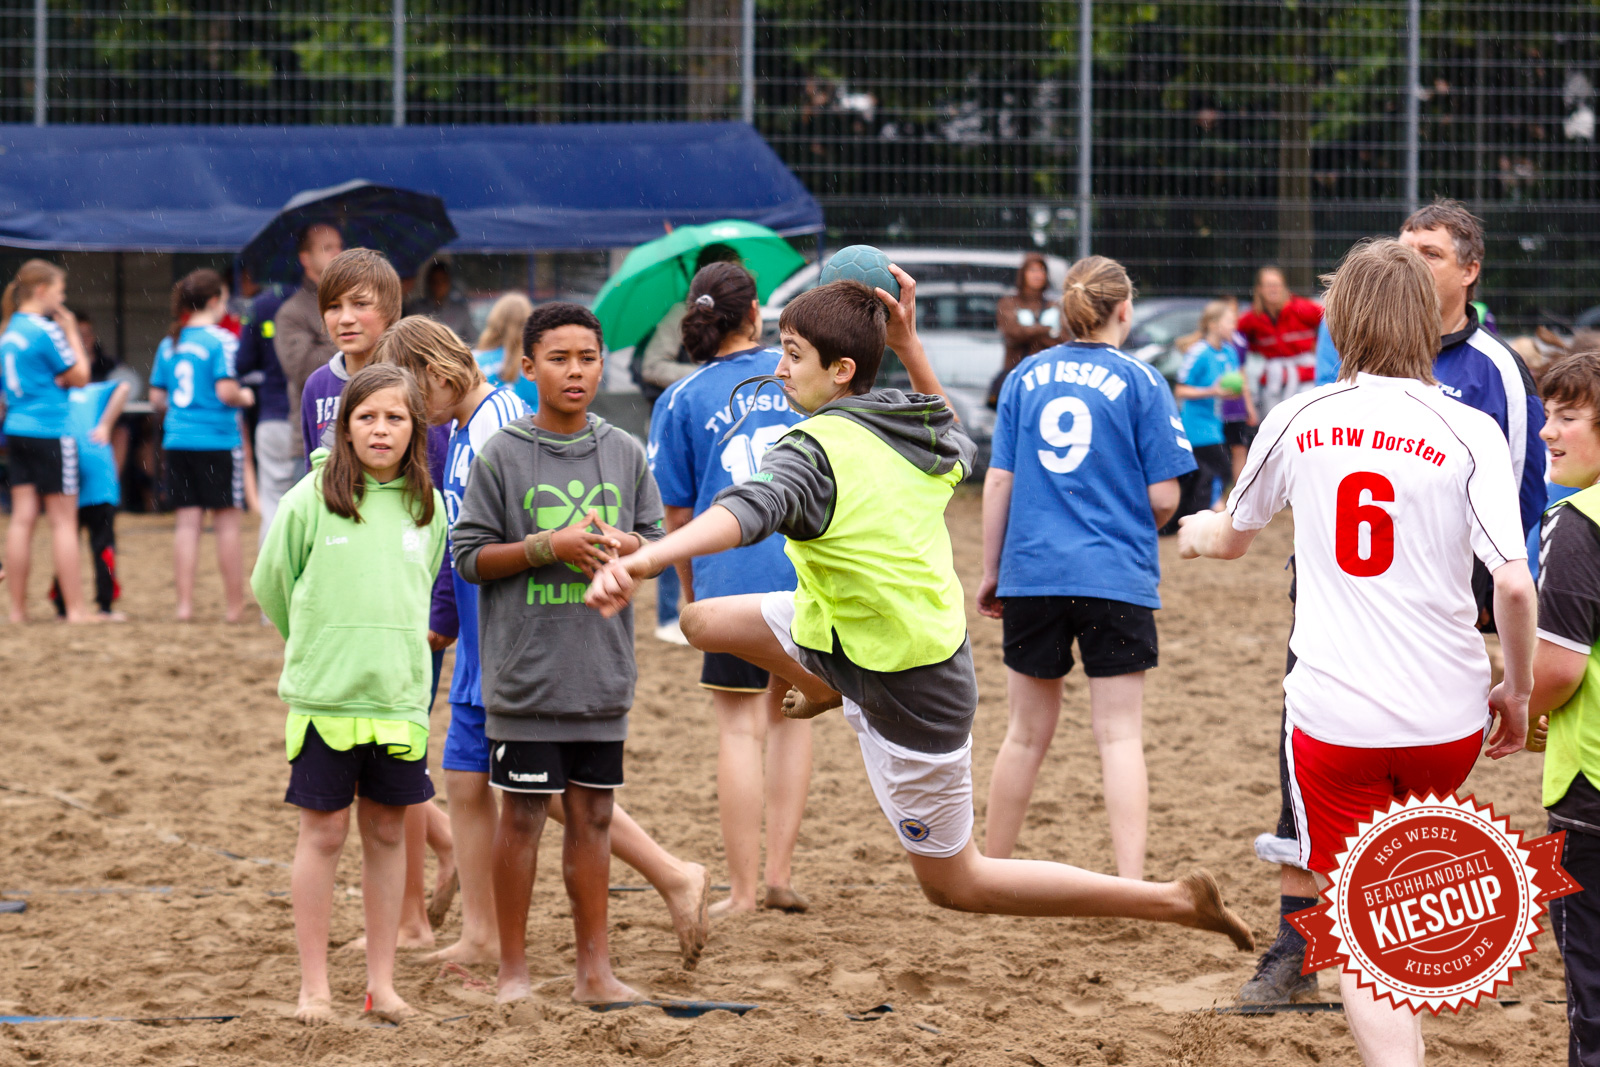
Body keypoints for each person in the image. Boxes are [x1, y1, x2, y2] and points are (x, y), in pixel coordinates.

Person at [584, 269, 1255, 955]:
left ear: (841, 370)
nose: (780, 368)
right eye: (781, 348)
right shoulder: (910, 424)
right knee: (704, 620)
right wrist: (907, 343)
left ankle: (1169, 899)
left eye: (794, 354)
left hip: (910, 682)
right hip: (855, 629)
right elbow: (960, 442)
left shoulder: (813, 451)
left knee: (959, 884)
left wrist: (647, 560)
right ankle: (821, 679)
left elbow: (741, 512)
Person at [1178, 238, 1536, 1067]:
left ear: (1341, 321)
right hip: (1446, 719)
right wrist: (1516, 690)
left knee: (1363, 931)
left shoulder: (1300, 416)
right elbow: (1515, 587)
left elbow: (1232, 535)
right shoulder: (1468, 426)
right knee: (1406, 900)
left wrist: (1195, 535)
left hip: (1335, 722)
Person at [374, 314, 710, 971]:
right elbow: (464, 546)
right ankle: (487, 936)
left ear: (434, 378)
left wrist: (593, 550)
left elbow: (531, 539)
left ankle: (667, 875)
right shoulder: (473, 429)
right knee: (473, 783)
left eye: (409, 401)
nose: (409, 417)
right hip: (490, 644)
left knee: (539, 794)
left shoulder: (500, 428)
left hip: (523, 650)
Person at [451, 301, 670, 1005]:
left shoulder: (626, 451)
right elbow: (469, 556)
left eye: (587, 358)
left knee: (595, 817)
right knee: (521, 814)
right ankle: (512, 974)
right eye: (559, 358)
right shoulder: (503, 455)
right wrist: (552, 545)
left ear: (603, 364)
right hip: (525, 678)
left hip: (601, 676)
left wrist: (626, 549)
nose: (575, 371)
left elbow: (656, 545)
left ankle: (594, 971)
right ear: (528, 367)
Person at [977, 256, 1194, 876]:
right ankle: (1129, 881)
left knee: (1023, 733)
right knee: (1119, 736)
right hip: (1114, 575)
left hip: (1033, 572)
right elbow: (1163, 499)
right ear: (1124, 310)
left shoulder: (1024, 375)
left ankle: (992, 868)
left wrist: (993, 570)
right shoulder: (1143, 381)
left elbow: (999, 481)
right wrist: (1129, 522)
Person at [251, 362, 448, 1025]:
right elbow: (272, 585)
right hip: (325, 701)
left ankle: (381, 985)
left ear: (415, 426)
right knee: (324, 833)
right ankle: (315, 987)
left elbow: (422, 584)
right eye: (367, 416)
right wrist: (312, 642)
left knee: (390, 834)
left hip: (398, 701)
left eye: (395, 416)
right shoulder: (309, 499)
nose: (381, 428)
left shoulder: (430, 504)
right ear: (344, 427)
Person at [649, 262, 814, 915]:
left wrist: (691, 596)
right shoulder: (799, 374)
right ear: (756, 316)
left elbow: (678, 517)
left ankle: (742, 892)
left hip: (729, 577)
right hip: (808, 573)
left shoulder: (682, 398)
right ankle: (778, 875)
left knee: (740, 729)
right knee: (794, 718)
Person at [1525, 349, 1600, 1067]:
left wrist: (1519, 704)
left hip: (1591, 790)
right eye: (1548, 414)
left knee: (1592, 992)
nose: (1549, 431)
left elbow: (1559, 666)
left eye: (1569, 416)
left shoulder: (1576, 521)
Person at [148, 269, 254, 623]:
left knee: (186, 525)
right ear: (214, 301)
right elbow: (227, 392)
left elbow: (156, 398)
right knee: (226, 526)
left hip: (178, 441)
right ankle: (234, 608)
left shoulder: (170, 342)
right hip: (218, 441)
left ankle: (184, 606)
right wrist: (245, 396)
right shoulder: (221, 340)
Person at [1, 259, 92, 623]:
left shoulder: (8, 331)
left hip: (18, 430)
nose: (63, 298)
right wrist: (71, 330)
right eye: (60, 291)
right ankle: (76, 609)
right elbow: (81, 377)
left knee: (22, 519)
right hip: (52, 430)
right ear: (41, 291)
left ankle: (17, 611)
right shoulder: (45, 330)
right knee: (63, 522)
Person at [50, 378, 131, 620]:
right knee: (103, 545)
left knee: (65, 541)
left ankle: (62, 605)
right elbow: (124, 386)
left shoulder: (52, 395)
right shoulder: (91, 390)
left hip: (69, 475)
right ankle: (104, 606)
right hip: (98, 478)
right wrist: (106, 424)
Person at [635, 243, 745, 403]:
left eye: (738, 276)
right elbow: (653, 368)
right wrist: (706, 374)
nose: (736, 285)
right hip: (689, 409)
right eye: (728, 278)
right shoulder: (681, 314)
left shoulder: (742, 316)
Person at [1171, 299, 1244, 523]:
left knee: (1207, 472)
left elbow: (1228, 385)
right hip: (1196, 424)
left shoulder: (1230, 352)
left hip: (1215, 423)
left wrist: (1230, 393)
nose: (1234, 326)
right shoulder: (1199, 352)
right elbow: (1180, 390)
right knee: (1220, 467)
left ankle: (1193, 514)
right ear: (1213, 325)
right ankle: (1212, 509)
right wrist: (1212, 391)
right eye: (1230, 321)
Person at [276, 222, 344, 459]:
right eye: (327, 248)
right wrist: (349, 343)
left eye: (339, 247)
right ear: (305, 259)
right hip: (313, 442)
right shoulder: (292, 311)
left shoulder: (355, 303)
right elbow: (304, 370)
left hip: (359, 442)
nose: (338, 254)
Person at [237, 281, 297, 543]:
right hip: (315, 417)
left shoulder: (261, 305)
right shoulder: (321, 301)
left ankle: (271, 578)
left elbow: (242, 362)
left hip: (273, 414)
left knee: (272, 504)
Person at [1235, 265, 1323, 415]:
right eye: (1268, 285)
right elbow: (1231, 332)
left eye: (1277, 285)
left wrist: (1321, 346)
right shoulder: (1253, 318)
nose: (1273, 289)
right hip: (1273, 379)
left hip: (1305, 376)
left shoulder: (1302, 308)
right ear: (1260, 289)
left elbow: (1330, 321)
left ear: (1284, 287)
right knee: (1272, 419)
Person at [987, 252, 1062, 406]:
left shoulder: (1055, 305)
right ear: (1023, 274)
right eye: (1033, 270)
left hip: (1049, 376)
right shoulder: (1008, 303)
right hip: (1017, 374)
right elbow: (1013, 333)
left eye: (1042, 270)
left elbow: (1064, 339)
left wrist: (1029, 331)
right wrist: (1048, 330)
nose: (1038, 275)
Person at [471, 292, 538, 411]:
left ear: (494, 322)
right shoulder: (537, 363)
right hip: (531, 428)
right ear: (528, 324)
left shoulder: (474, 361)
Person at [405, 261, 474, 341]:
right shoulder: (416, 309)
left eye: (442, 280)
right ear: (428, 283)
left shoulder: (460, 310)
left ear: (449, 282)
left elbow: (472, 339)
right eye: (434, 281)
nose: (438, 285)